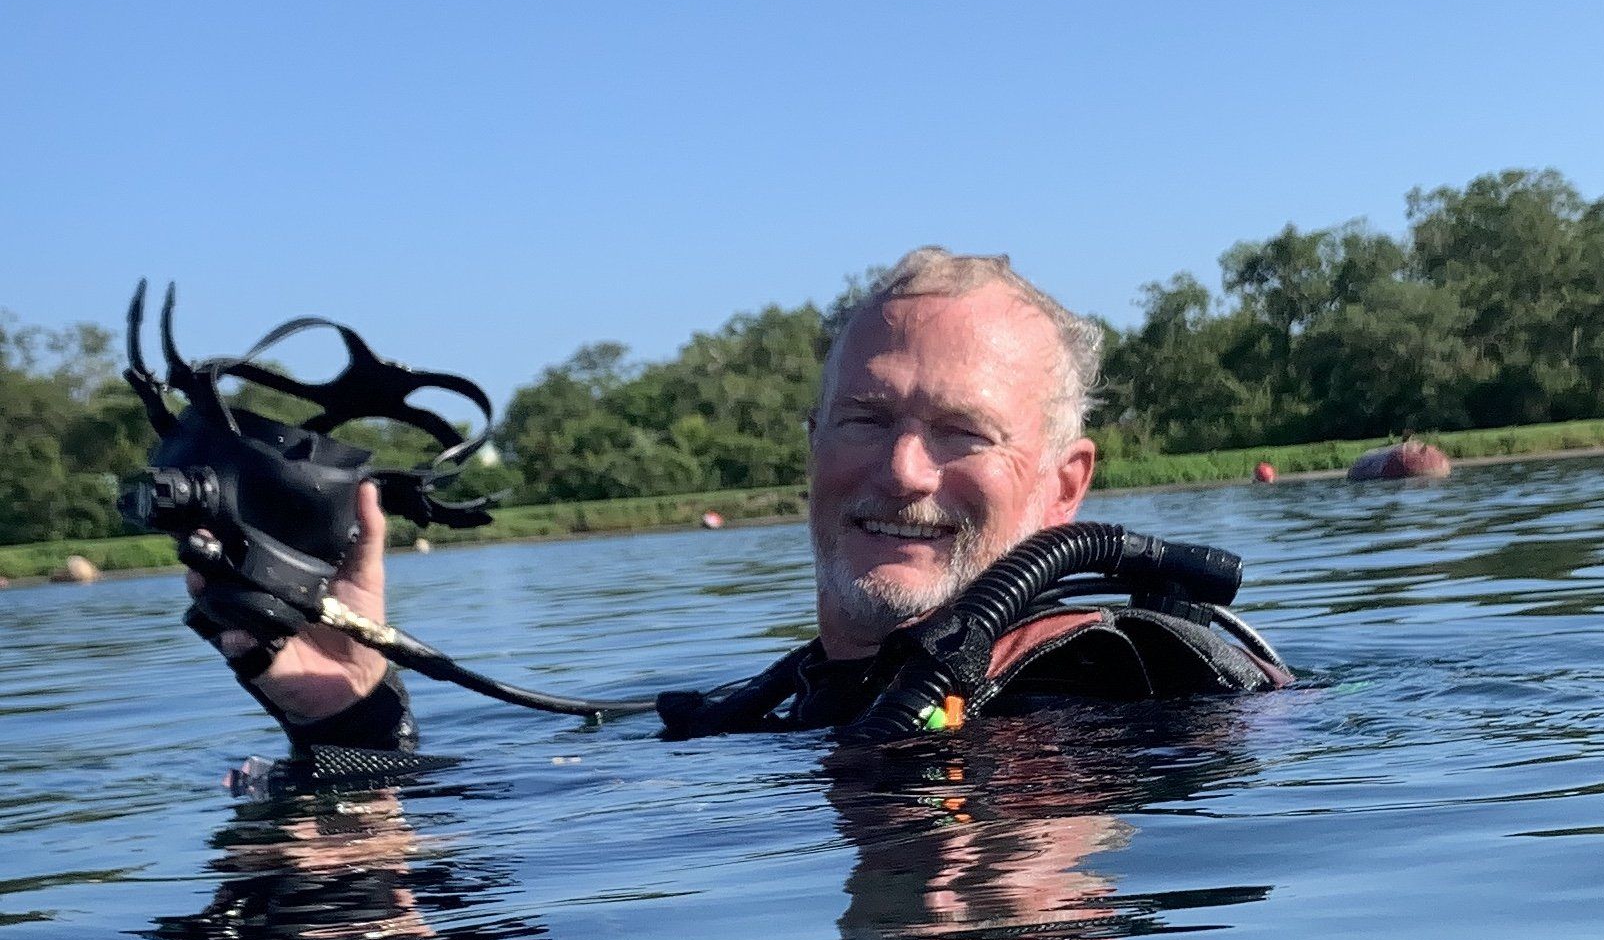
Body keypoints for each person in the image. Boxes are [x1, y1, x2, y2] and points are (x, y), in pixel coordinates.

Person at [192, 249, 1288, 756]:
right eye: (863, 418)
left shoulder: (1142, 685)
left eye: (962, 432)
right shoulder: (770, 711)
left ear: (1065, 483)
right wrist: (349, 720)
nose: (902, 470)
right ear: (809, 446)